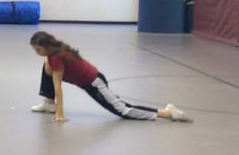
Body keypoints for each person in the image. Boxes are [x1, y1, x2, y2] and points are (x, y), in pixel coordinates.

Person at [29, 31, 191, 122]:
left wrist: (60, 114)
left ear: (46, 47)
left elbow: (58, 87)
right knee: (46, 67)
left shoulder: (56, 59)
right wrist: (46, 61)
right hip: (91, 82)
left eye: (38, 50)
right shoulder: (54, 51)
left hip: (95, 84)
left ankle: (167, 112)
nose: (36, 53)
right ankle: (48, 103)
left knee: (123, 110)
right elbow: (49, 66)